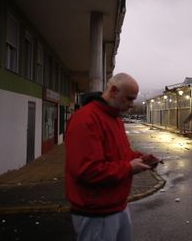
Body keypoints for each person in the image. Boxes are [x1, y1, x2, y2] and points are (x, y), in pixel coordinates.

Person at [65, 73, 160, 241]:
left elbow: (121, 154)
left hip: (117, 206)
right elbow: (87, 171)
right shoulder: (86, 119)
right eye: (129, 99)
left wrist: (141, 158)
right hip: (96, 213)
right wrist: (129, 167)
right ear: (114, 91)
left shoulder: (114, 118)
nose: (132, 105)